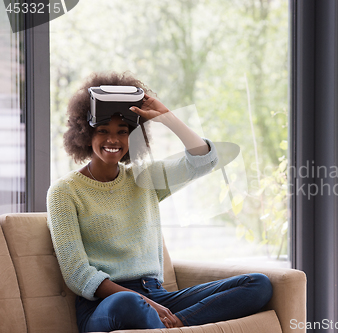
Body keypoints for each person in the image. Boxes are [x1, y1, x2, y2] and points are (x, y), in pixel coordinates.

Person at [47, 72, 273, 333]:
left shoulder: (144, 179)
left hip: (157, 295)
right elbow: (78, 274)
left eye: (123, 132)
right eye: (103, 131)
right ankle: (166, 322)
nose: (113, 140)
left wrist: (169, 118)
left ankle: (176, 325)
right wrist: (145, 302)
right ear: (85, 133)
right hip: (107, 303)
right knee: (129, 301)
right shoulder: (64, 192)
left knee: (258, 284)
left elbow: (203, 161)